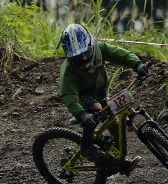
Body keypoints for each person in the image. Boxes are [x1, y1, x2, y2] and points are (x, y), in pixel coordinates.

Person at [57, 23, 149, 175]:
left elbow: (120, 54)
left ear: (90, 45)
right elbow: (68, 95)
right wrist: (82, 114)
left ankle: (119, 160)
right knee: (96, 110)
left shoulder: (100, 49)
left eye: (84, 53)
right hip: (82, 97)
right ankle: (87, 149)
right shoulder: (68, 70)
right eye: (77, 57)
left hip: (100, 94)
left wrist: (137, 64)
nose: (82, 59)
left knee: (115, 124)